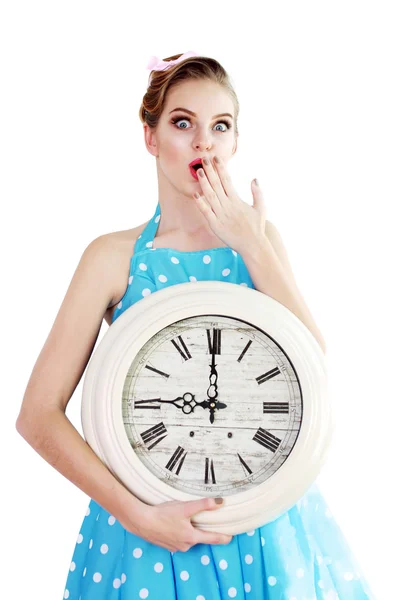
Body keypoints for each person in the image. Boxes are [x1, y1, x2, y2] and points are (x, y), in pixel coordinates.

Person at [16, 51, 376, 600]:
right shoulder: (113, 257)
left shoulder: (260, 242)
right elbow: (37, 415)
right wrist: (138, 516)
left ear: (234, 142)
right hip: (151, 528)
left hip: (263, 519)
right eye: (183, 123)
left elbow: (312, 367)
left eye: (220, 126)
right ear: (151, 137)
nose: (203, 142)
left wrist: (252, 241)